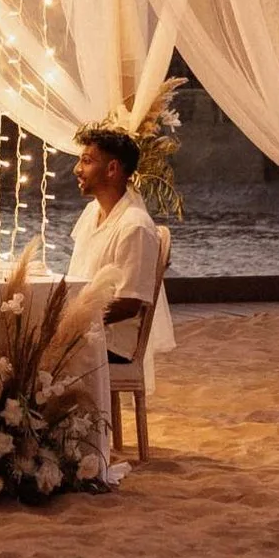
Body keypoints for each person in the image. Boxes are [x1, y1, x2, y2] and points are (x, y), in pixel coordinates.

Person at [66, 124, 172, 388]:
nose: (77, 169)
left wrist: (73, 322)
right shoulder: (92, 212)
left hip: (111, 342)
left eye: (87, 161)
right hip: (87, 330)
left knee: (30, 355)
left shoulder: (134, 226)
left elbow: (130, 303)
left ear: (112, 169)